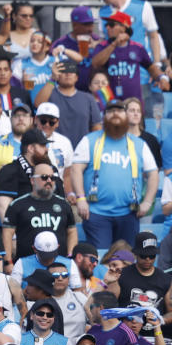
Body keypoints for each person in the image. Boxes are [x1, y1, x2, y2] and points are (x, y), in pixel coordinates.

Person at [69, 100, 158, 248]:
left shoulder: (139, 144)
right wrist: (81, 198)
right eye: (111, 111)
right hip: (96, 214)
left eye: (120, 110)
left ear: (126, 116)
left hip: (129, 213)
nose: (115, 114)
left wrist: (147, 202)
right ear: (104, 116)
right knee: (101, 257)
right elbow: (75, 169)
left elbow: (153, 174)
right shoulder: (89, 140)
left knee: (125, 258)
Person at [3, 162, 76, 261]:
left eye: (53, 178)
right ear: (32, 180)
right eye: (44, 177)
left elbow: (71, 231)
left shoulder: (64, 204)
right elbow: (7, 233)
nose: (49, 180)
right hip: (27, 264)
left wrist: (70, 256)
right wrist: (8, 261)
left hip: (59, 265)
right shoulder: (18, 205)